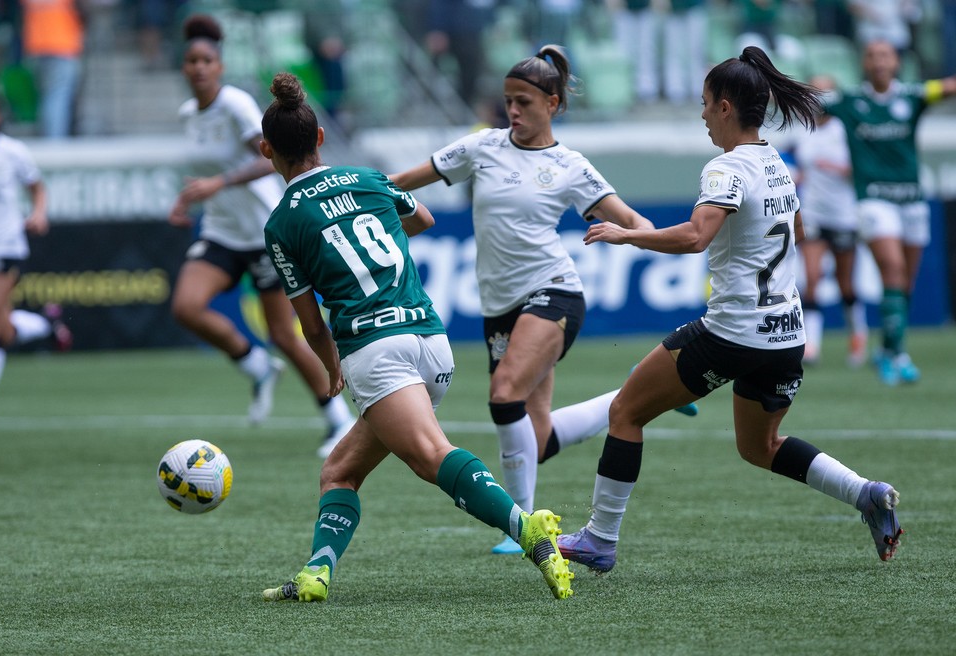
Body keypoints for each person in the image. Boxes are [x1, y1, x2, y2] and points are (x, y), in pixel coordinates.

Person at [555, 46, 904, 574]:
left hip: (734, 331)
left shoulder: (727, 167)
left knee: (625, 412)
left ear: (724, 106)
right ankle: (866, 494)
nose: (700, 115)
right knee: (759, 446)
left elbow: (697, 236)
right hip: (786, 336)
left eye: (703, 103)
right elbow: (799, 232)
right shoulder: (777, 163)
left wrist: (630, 235)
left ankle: (600, 538)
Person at [256, 71, 573, 602]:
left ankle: (525, 529)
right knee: (339, 470)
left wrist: (331, 367)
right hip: (431, 343)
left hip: (375, 351)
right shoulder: (370, 177)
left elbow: (309, 324)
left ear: (267, 150)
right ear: (320, 138)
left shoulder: (282, 222)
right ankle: (316, 574)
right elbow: (421, 217)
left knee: (430, 455)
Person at [390, 44, 698, 556]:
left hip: (553, 292)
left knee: (504, 394)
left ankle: (522, 524)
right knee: (538, 438)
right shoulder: (481, 146)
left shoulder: (570, 166)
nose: (513, 111)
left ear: (553, 104)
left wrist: (631, 236)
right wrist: (350, 193)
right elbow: (401, 183)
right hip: (498, 304)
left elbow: (635, 221)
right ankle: (637, 395)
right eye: (508, 101)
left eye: (525, 102)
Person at [169, 14, 355, 453]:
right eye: (191, 60)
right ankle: (255, 366)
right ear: (184, 67)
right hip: (221, 231)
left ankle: (338, 418)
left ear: (219, 65)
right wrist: (187, 198)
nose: (198, 67)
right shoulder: (186, 114)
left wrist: (221, 182)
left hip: (263, 231)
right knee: (185, 306)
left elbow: (268, 157)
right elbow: (205, 170)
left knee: (285, 334)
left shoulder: (234, 104)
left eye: (206, 60)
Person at [823, 39, 956, 385]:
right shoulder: (850, 102)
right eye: (871, 56)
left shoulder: (912, 95)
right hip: (873, 199)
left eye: (885, 55)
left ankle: (888, 348)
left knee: (904, 283)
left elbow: (947, 87)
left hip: (912, 200)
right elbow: (810, 101)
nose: (878, 61)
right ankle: (896, 356)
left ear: (896, 62)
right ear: (863, 64)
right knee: (892, 269)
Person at [0, 82, 70, 428]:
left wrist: (39, 212)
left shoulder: (11, 152)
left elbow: (36, 186)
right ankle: (46, 325)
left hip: (3, 244)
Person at [790, 75, 867, 367]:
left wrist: (834, 167)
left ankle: (857, 336)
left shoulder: (846, 128)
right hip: (813, 214)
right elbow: (793, 161)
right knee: (811, 279)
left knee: (846, 284)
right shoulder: (802, 131)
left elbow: (859, 169)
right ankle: (811, 346)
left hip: (844, 215)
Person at [20, 0, 85, 138]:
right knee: (57, 96)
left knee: (48, 96)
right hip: (62, 44)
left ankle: (50, 136)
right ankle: (54, 140)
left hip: (36, 45)